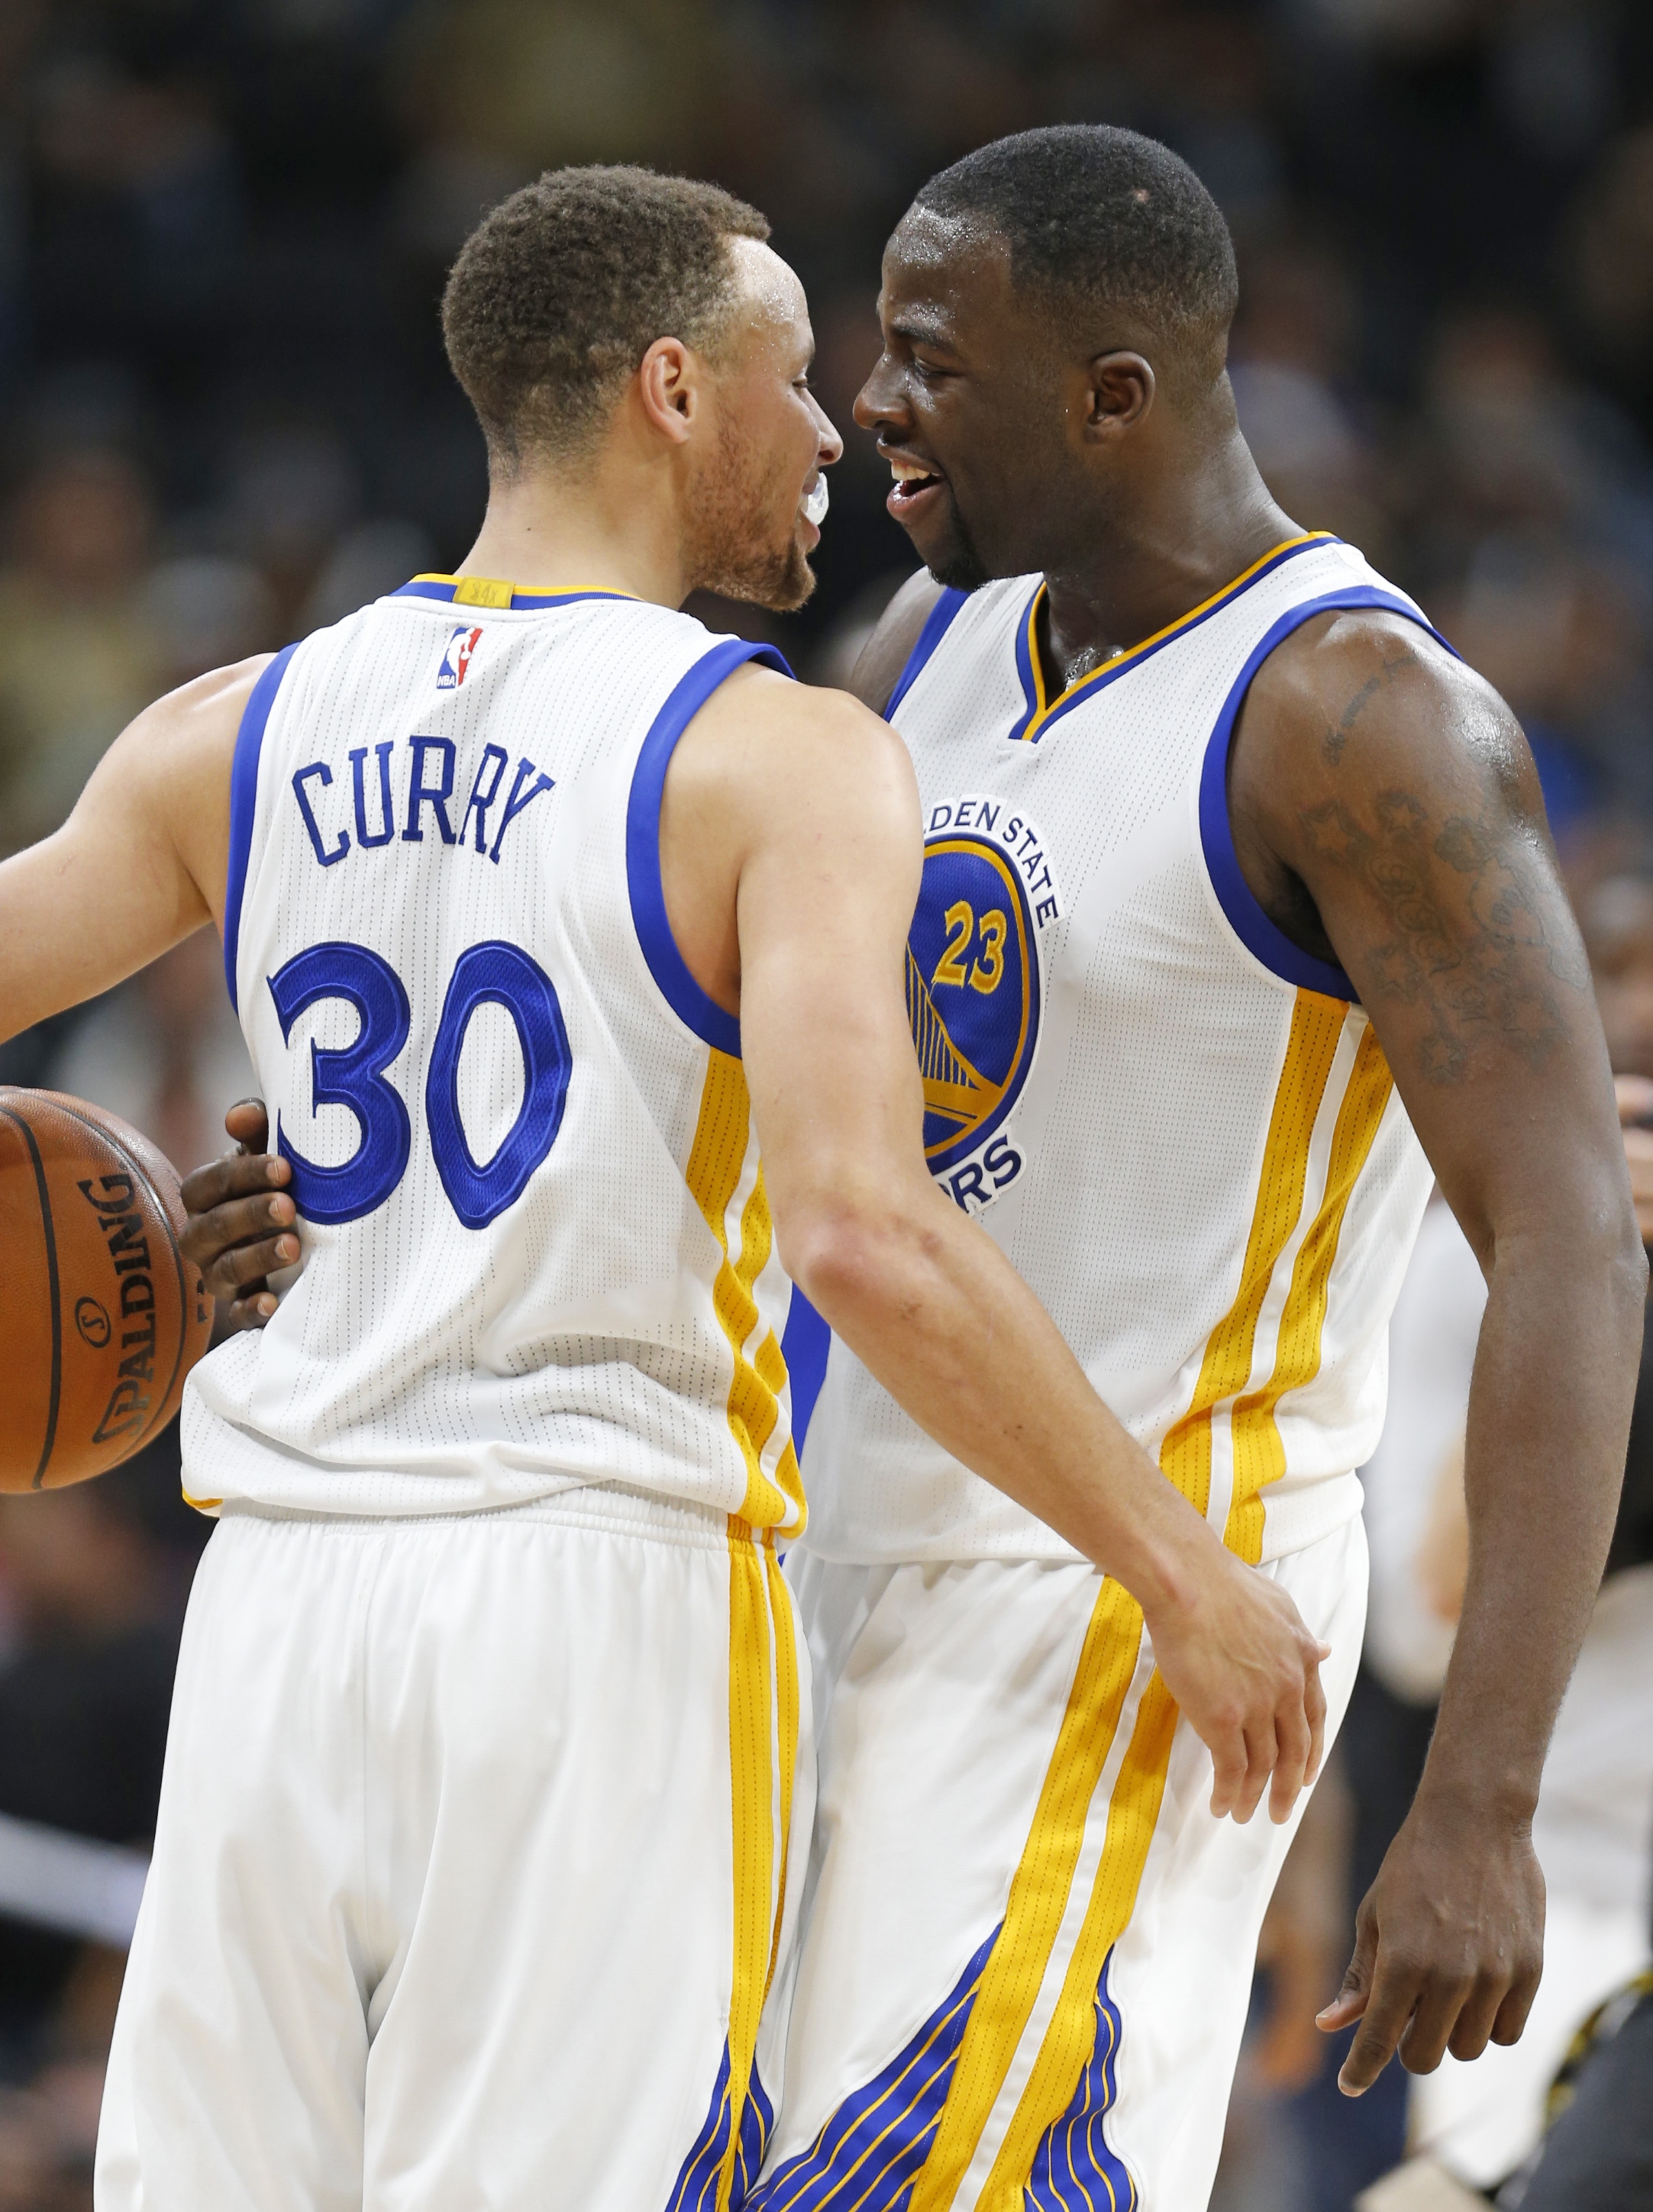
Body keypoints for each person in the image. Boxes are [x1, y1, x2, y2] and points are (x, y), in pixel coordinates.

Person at [179, 132, 1642, 2210]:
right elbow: (640, 996)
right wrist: (347, 1188)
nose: (869, 403)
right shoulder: (930, 653)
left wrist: (1474, 1798)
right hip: (804, 1568)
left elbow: (1570, 1246)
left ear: (1112, 397)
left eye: (931, 361)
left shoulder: (1363, 718)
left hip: (1129, 1609)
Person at [0, 165, 1326, 2212]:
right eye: (799, 379)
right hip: (593, 1601)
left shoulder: (235, 730)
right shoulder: (776, 760)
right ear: (673, 390)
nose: (839, 430)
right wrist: (1179, 1562)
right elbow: (866, 1238)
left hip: (276, 1603)